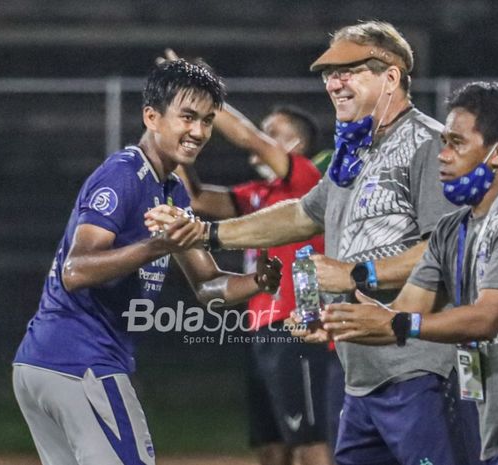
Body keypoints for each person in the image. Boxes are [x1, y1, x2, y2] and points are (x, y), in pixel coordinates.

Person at [147, 21, 468, 465]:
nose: (333, 82)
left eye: (348, 70)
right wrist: (208, 233)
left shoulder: (428, 143)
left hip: (416, 369)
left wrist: (358, 274)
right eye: (328, 73)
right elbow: (301, 214)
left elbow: (447, 250)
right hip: (357, 372)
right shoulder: (352, 154)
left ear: (391, 76)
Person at [322, 81, 498, 464]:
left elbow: (486, 318)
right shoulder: (451, 228)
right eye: (443, 141)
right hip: (497, 423)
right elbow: (406, 309)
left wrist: (398, 324)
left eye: (456, 143)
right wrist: (340, 322)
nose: (441, 155)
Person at [12, 58, 282, 465]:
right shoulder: (124, 173)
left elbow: (209, 289)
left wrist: (259, 281)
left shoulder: (173, 192)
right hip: (80, 362)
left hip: (47, 365)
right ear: (152, 117)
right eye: (187, 117)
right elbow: (76, 270)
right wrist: (157, 247)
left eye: (207, 120)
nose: (198, 131)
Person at [176, 99, 334, 465]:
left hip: (299, 324)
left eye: (274, 132)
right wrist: (178, 142)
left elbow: (247, 137)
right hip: (260, 327)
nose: (264, 137)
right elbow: (198, 198)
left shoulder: (306, 179)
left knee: (309, 441)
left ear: (295, 145)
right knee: (271, 446)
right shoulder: (259, 194)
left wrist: (201, 99)